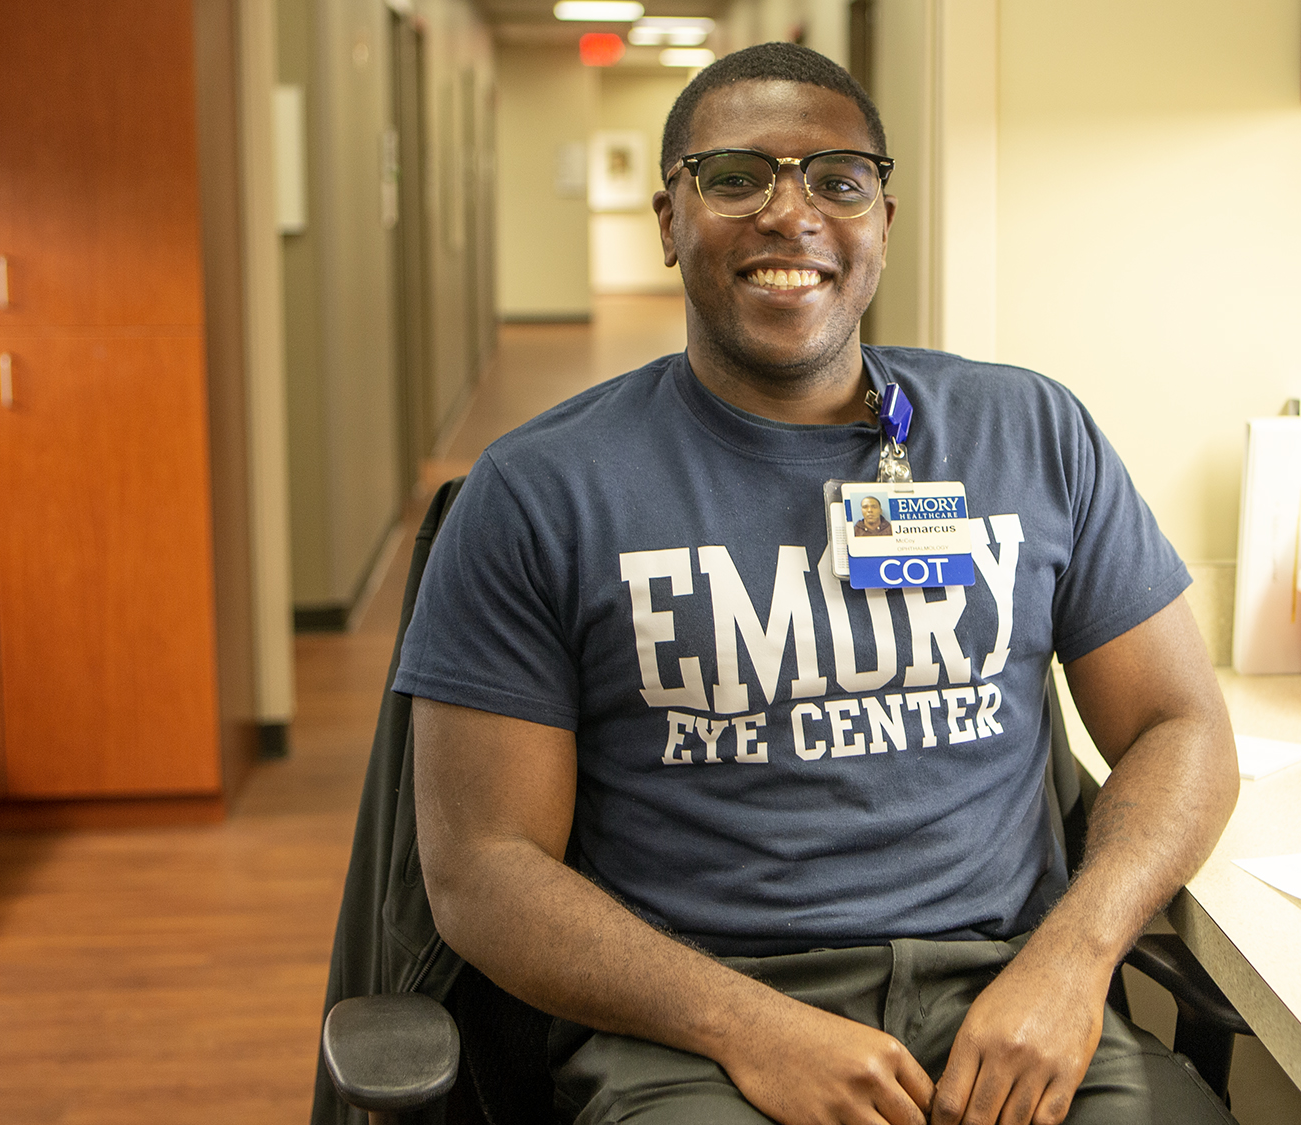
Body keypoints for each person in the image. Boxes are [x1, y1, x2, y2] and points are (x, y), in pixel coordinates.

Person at [397, 42, 1239, 1125]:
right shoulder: (541, 490)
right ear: (668, 220)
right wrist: (745, 1026)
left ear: (882, 221)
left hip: (1005, 999)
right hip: (696, 1033)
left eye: (836, 181)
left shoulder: (1028, 433)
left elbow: (1182, 726)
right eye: (735, 177)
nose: (788, 215)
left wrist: (1072, 960)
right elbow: (479, 867)